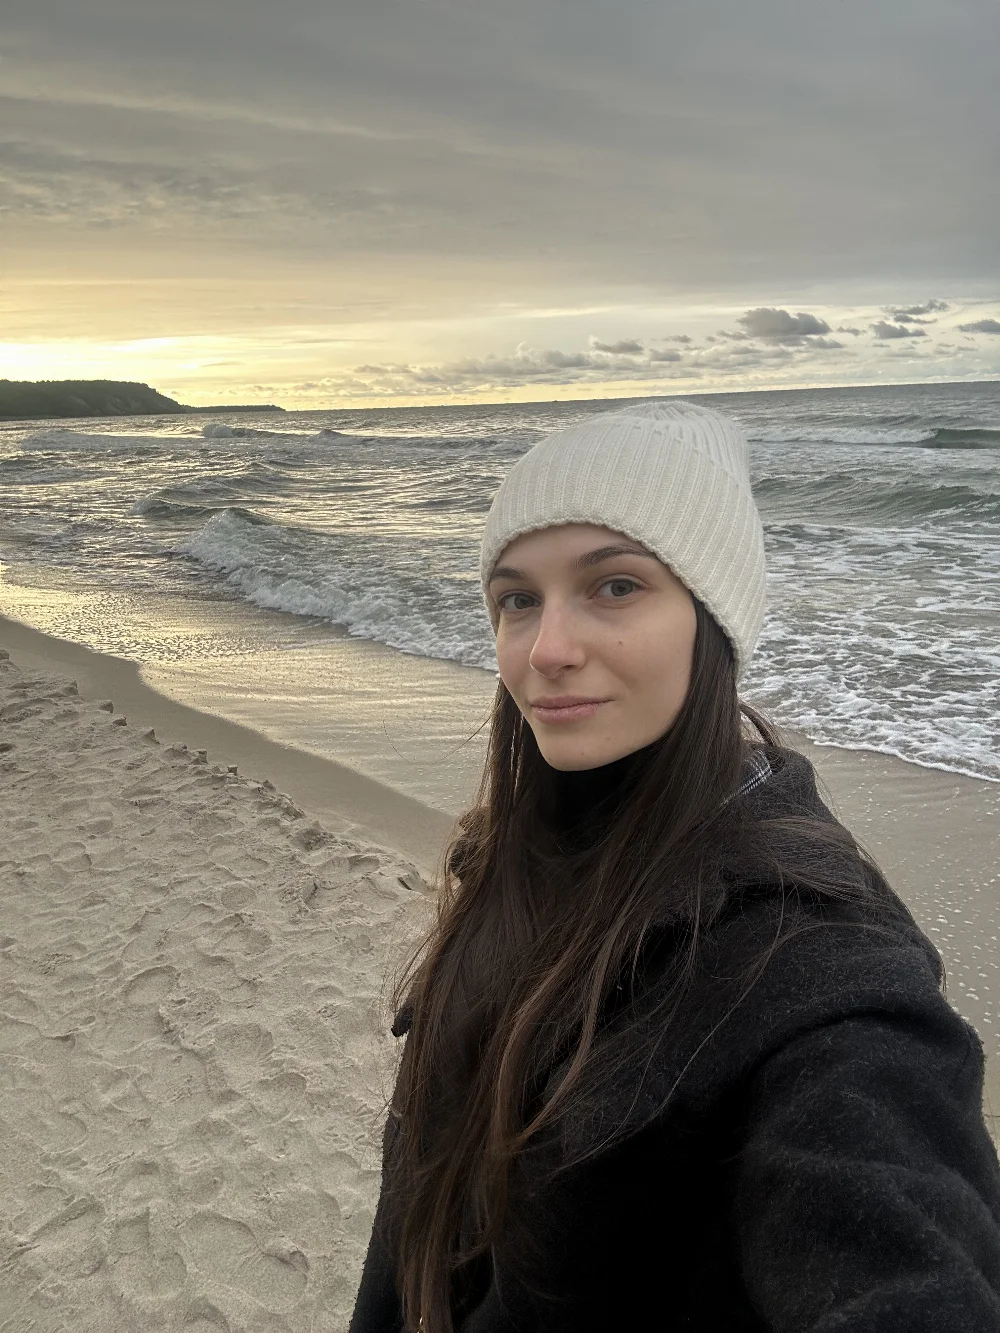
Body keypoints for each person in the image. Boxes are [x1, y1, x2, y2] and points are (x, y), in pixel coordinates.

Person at [349, 400, 1000, 1333]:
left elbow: (898, 1245)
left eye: (615, 586)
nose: (547, 650)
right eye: (518, 599)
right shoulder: (514, 860)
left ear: (713, 620)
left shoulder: (812, 964)